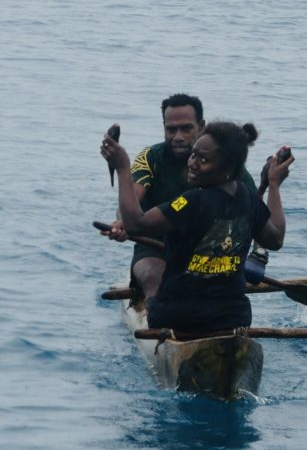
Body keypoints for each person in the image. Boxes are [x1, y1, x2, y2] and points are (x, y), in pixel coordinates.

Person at [100, 120, 293, 331]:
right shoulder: (248, 197)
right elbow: (275, 239)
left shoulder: (190, 201)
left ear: (228, 166)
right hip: (233, 317)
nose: (192, 163)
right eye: (194, 154)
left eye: (204, 159)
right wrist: (273, 185)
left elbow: (135, 224)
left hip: (177, 316)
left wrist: (122, 168)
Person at [102, 94, 264, 300]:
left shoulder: (226, 164)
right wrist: (123, 222)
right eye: (170, 129)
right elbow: (133, 199)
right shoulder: (151, 157)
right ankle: (159, 319)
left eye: (186, 128)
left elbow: (256, 214)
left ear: (201, 126)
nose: (178, 136)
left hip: (207, 252)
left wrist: (258, 254)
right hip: (155, 247)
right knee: (155, 279)